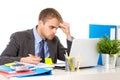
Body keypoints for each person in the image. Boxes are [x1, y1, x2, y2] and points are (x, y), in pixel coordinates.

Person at [0, 8, 73, 65]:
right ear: (40, 23)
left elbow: (70, 58)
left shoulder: (54, 40)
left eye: (56, 28)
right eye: (51, 27)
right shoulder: (19, 37)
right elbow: (2, 59)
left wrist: (68, 35)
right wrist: (22, 60)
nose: (55, 31)